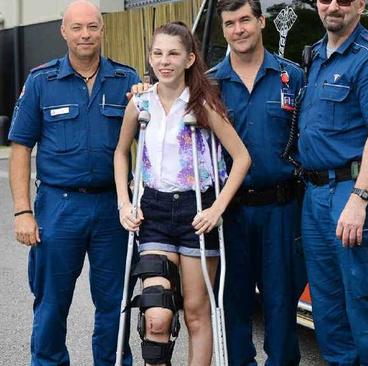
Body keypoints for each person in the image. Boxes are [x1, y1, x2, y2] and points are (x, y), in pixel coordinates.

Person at [8, 1, 140, 364]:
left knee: (115, 303)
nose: (86, 34)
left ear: (103, 30)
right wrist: (23, 211)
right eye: (77, 28)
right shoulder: (41, 81)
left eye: (92, 27)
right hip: (59, 206)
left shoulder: (127, 81)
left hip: (113, 208)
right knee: (51, 301)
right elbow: (20, 148)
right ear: (63, 31)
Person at [114, 21, 250, 366]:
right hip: (154, 212)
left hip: (197, 210)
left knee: (195, 311)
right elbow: (120, 153)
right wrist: (124, 203)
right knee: (156, 312)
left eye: (173, 53)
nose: (164, 61)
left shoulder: (203, 104)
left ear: (189, 59)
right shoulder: (140, 103)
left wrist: (217, 208)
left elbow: (242, 158)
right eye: (157, 53)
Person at [296, 0, 368, 363]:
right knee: (327, 308)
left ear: (360, 4)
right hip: (315, 194)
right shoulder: (315, 56)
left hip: (351, 191)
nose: (334, 6)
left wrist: (359, 198)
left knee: (364, 301)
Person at [207, 0, 307, 364]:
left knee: (281, 301)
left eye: (245, 20)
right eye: (230, 23)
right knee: (233, 300)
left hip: (281, 208)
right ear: (224, 29)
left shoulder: (292, 78)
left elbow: (304, 141)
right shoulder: (211, 84)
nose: (239, 30)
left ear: (261, 22)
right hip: (230, 211)